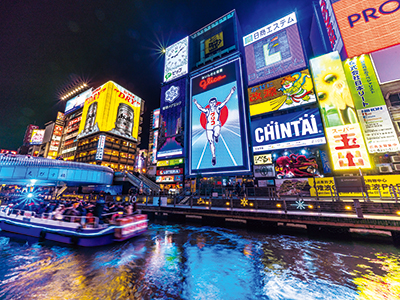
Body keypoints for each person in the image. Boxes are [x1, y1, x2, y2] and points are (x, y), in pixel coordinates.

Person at [193, 86, 236, 166]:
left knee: (216, 134)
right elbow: (200, 108)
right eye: (211, 102)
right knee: (211, 141)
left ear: (215, 103)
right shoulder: (207, 110)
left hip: (216, 124)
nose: (212, 104)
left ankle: (216, 136)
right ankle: (213, 156)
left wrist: (231, 93)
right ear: (209, 104)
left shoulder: (218, 108)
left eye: (214, 102)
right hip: (209, 127)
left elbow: (225, 101)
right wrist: (196, 103)